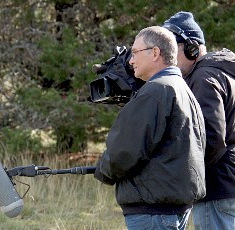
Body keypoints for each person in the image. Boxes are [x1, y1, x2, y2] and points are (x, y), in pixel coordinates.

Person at [94, 26, 206, 230]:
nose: (130, 60)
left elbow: (124, 152)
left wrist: (103, 170)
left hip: (153, 212)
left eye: (135, 52)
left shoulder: (156, 91)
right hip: (172, 209)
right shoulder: (182, 89)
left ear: (155, 53)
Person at [163, 11, 235, 230]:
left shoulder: (203, 78)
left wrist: (184, 175)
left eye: (172, 50)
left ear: (191, 48)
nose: (168, 59)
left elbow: (211, 139)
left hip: (218, 188)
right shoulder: (223, 71)